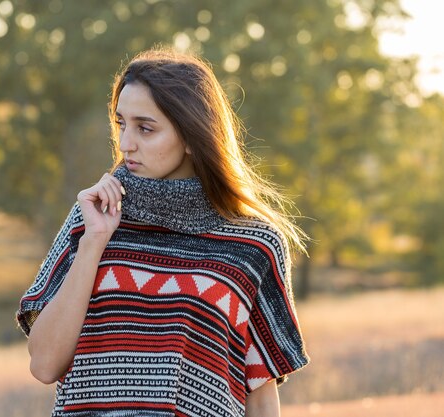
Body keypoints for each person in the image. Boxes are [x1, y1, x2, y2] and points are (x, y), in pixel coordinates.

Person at [17, 48, 309, 417]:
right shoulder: (89, 219)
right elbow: (44, 365)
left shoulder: (253, 245)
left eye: (145, 128)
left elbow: (260, 392)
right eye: (121, 123)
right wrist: (94, 242)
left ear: (191, 135)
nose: (125, 144)